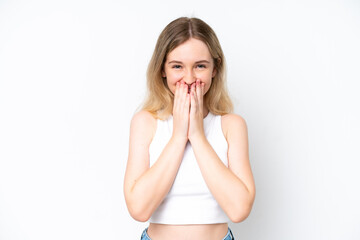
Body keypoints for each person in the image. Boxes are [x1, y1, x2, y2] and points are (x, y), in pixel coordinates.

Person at [124, 17, 255, 240]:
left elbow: (239, 209)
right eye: (177, 66)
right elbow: (139, 209)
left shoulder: (231, 126)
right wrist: (178, 136)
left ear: (215, 69)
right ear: (162, 69)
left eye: (200, 66)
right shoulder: (145, 123)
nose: (189, 77)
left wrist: (197, 135)